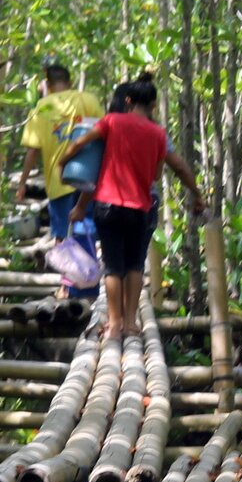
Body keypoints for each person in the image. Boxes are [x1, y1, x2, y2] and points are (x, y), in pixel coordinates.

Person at [59, 73, 204, 337]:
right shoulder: (158, 133)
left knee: (113, 266)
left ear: (127, 100)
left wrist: (63, 161)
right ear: (153, 104)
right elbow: (170, 170)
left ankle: (113, 325)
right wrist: (196, 194)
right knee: (135, 265)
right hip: (140, 208)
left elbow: (82, 143)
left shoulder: (112, 121)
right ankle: (130, 323)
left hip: (107, 206)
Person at [18, 60, 102, 298]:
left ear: (47, 84)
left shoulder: (42, 108)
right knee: (86, 228)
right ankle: (87, 283)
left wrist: (23, 183)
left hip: (59, 181)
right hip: (88, 178)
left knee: (61, 236)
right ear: (70, 82)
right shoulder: (88, 100)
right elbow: (105, 132)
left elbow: (32, 150)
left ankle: (68, 285)